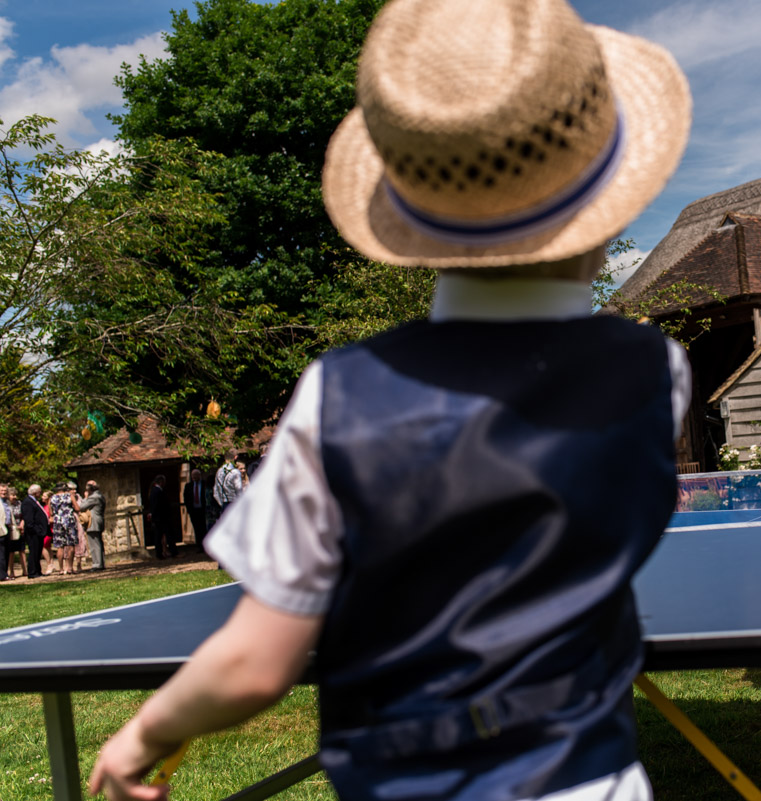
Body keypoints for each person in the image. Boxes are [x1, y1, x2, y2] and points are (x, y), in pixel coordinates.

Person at [89, 1, 691, 799]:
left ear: (411, 211)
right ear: (606, 200)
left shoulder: (337, 398)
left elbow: (255, 662)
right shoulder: (659, 370)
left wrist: (146, 731)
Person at [50, 483, 79, 575]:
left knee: (60, 546)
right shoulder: (69, 496)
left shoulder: (52, 498)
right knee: (71, 544)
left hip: (58, 522)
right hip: (69, 521)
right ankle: (70, 567)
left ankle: (61, 568)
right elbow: (77, 508)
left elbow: (51, 513)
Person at [145, 475, 176, 559]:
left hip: (159, 518)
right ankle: (167, 552)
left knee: (161, 536)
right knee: (164, 536)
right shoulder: (157, 491)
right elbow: (157, 505)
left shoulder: (155, 491)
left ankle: (163, 553)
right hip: (161, 518)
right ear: (161, 482)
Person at [78, 480, 107, 571]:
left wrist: (86, 497)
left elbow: (82, 507)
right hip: (99, 520)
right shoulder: (100, 496)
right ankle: (101, 563)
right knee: (98, 543)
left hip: (93, 522)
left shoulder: (93, 497)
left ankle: (97, 564)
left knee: (94, 544)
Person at [21, 484, 48, 579]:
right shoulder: (27, 502)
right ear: (35, 492)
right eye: (39, 492)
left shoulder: (34, 501)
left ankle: (37, 570)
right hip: (33, 532)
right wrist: (37, 530)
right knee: (33, 552)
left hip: (38, 532)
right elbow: (29, 519)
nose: (40, 494)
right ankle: (32, 572)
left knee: (38, 551)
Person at [212, 450, 243, 518]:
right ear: (235, 457)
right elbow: (239, 490)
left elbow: (215, 492)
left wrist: (222, 503)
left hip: (224, 504)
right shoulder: (235, 472)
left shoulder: (219, 471)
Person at [183, 470, 209, 549]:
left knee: (204, 527)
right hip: (194, 510)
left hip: (203, 509)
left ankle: (206, 545)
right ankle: (199, 546)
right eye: (193, 475)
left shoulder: (204, 484)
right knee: (197, 528)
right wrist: (189, 509)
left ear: (199, 475)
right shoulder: (188, 486)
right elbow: (186, 498)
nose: (194, 477)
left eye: (196, 475)